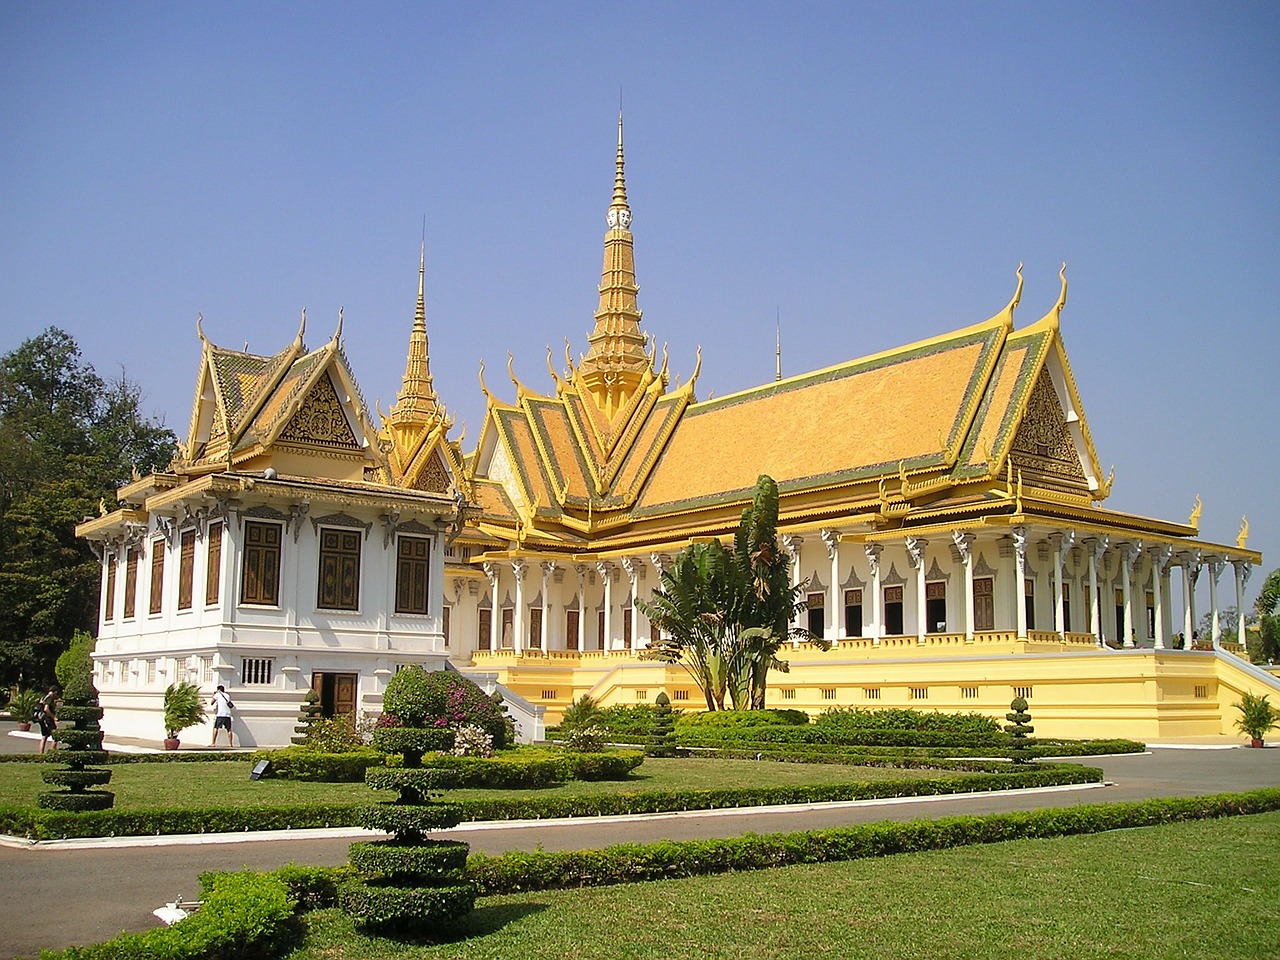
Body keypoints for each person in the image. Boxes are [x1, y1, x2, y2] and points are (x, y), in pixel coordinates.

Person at [37, 686, 58, 755]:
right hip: (48, 719)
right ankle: (52, 753)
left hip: (41, 719)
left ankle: (41, 755)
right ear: (55, 692)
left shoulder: (43, 697)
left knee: (44, 737)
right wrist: (53, 716)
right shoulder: (50, 698)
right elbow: (46, 709)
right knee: (55, 736)